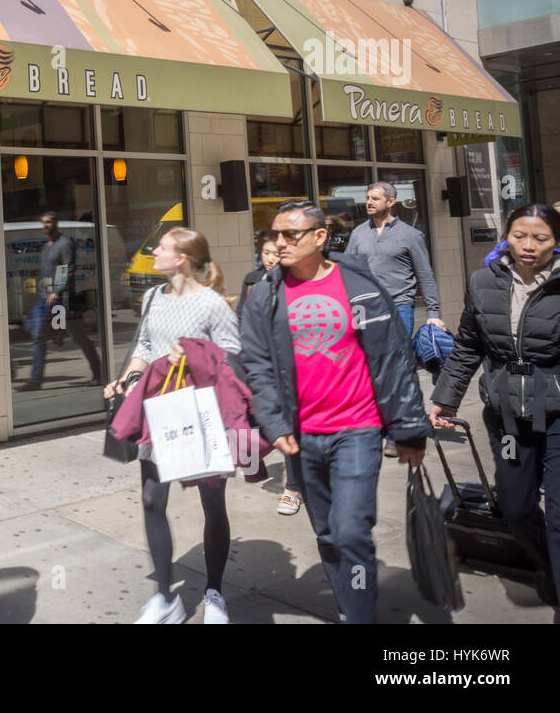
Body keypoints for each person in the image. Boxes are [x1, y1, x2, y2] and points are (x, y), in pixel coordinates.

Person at [240, 199, 431, 624]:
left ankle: (360, 616)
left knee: (350, 532)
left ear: (320, 236)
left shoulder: (358, 284)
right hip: (302, 435)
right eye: (275, 235)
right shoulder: (265, 292)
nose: (280, 242)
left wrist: (408, 429)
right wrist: (272, 421)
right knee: (327, 533)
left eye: (291, 234)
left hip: (357, 429)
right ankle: (351, 609)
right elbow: (255, 362)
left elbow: (392, 358)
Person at [102, 228, 241, 624]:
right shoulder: (150, 298)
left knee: (212, 504)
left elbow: (233, 355)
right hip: (157, 412)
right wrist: (127, 380)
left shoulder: (212, 304)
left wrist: (196, 354)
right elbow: (144, 347)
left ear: (181, 258)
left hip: (201, 414)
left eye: (160, 248)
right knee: (151, 501)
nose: (154, 253)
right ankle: (165, 599)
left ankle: (214, 593)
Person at [430, 203, 560, 613]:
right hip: (507, 416)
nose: (528, 245)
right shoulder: (483, 280)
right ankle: (548, 568)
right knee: (517, 508)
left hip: (557, 413)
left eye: (541, 238)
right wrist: (444, 398)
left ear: (556, 243)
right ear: (506, 234)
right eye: (520, 235)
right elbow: (469, 344)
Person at [237, 230, 303, 516]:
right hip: (258, 361)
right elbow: (241, 316)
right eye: (265, 253)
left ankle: (293, 487)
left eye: (274, 254)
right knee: (252, 415)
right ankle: (252, 462)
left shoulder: (293, 283)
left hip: (288, 364)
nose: (270, 259)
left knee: (289, 424)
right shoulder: (253, 281)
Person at [346, 182, 444, 338]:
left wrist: (433, 313)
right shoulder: (358, 233)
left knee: (399, 359)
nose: (369, 202)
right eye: (368, 198)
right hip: (364, 307)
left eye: (375, 199)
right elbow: (348, 270)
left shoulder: (410, 235)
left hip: (399, 306)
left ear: (390, 202)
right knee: (365, 358)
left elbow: (425, 276)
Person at [19, 211, 102, 391]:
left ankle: (98, 374)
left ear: (56, 223)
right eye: (43, 223)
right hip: (45, 298)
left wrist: (57, 291)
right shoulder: (47, 246)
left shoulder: (64, 243)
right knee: (37, 335)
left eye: (48, 222)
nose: (46, 225)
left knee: (79, 337)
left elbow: (67, 269)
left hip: (63, 298)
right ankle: (35, 380)